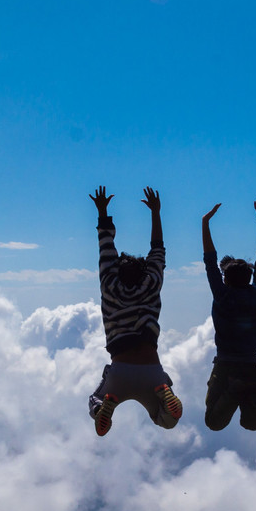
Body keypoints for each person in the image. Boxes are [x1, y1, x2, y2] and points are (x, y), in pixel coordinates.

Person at [87, 185, 183, 435]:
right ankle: (166, 392)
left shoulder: (109, 284)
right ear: (145, 271)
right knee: (165, 420)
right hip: (151, 372)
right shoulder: (151, 284)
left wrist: (103, 211)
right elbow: (158, 250)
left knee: (95, 400)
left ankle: (101, 409)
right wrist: (156, 212)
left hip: (119, 373)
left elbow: (105, 245)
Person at [201, 201, 256, 431]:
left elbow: (210, 261)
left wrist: (205, 222)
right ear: (249, 279)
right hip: (251, 365)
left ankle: (235, 389)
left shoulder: (221, 294)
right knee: (253, 424)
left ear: (225, 279)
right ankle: (248, 388)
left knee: (213, 422)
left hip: (225, 366)